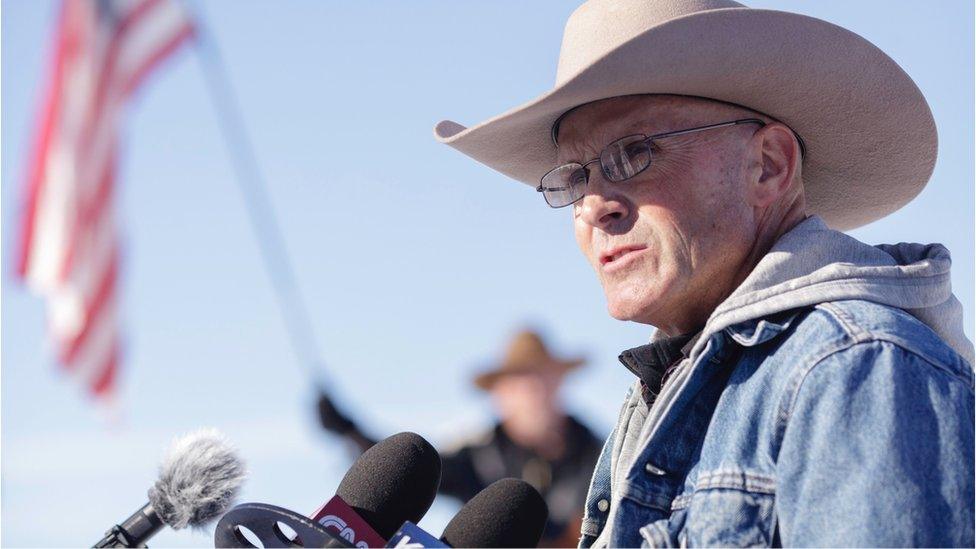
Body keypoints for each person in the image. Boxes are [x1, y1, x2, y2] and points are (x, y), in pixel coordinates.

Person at [432, 0, 975, 547]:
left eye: (633, 153)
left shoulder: (852, 367)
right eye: (574, 178)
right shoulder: (673, 386)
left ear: (769, 164)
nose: (595, 205)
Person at [316, 329, 603, 547]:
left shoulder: (604, 456)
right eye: (519, 382)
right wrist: (350, 430)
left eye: (540, 378)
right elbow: (407, 469)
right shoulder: (477, 454)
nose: (532, 392)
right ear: (499, 394)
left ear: (559, 381)